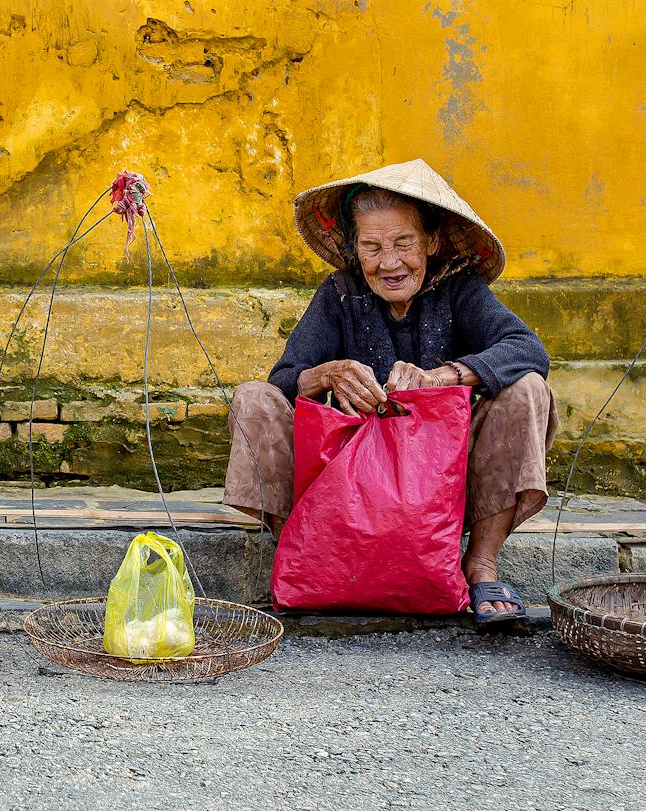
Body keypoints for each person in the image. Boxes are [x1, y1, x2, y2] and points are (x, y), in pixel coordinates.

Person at [224, 158, 556, 624]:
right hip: (344, 492)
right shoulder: (340, 292)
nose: (390, 262)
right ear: (356, 249)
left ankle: (481, 565)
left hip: (437, 490)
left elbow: (527, 349)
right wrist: (326, 375)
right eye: (373, 246)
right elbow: (284, 376)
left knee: (527, 389)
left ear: (432, 241)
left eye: (404, 243)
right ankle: (308, 552)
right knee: (253, 398)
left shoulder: (459, 289)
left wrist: (446, 375)